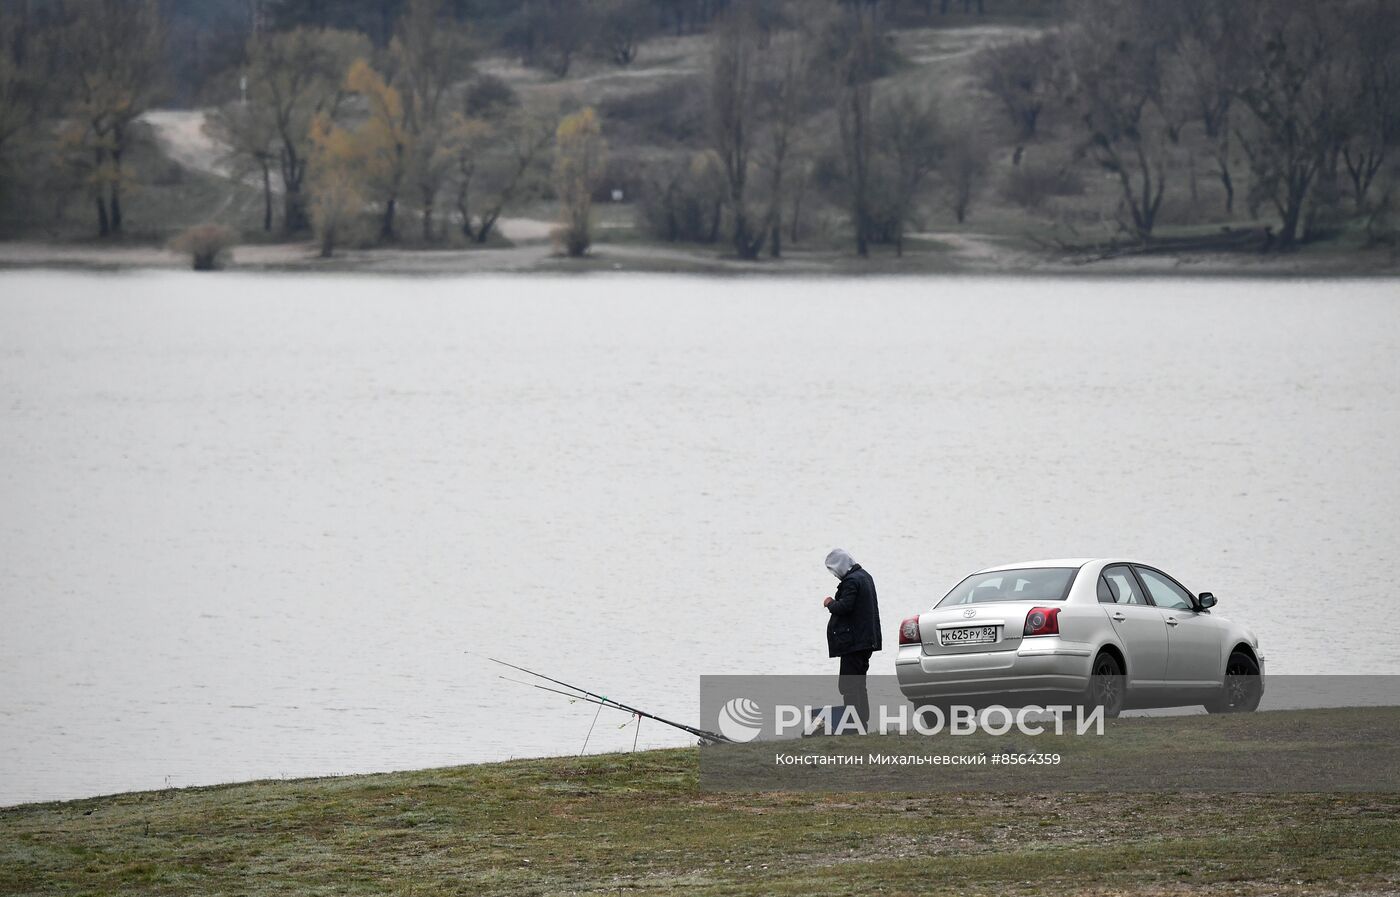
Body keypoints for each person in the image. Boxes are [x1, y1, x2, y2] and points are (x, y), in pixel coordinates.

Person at [822, 548, 882, 733]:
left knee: (848, 685)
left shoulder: (851, 581)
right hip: (866, 641)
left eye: (834, 569)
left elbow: (845, 606)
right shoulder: (865, 576)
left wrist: (830, 603)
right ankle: (861, 724)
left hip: (854, 644)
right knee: (859, 684)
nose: (835, 574)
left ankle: (853, 726)